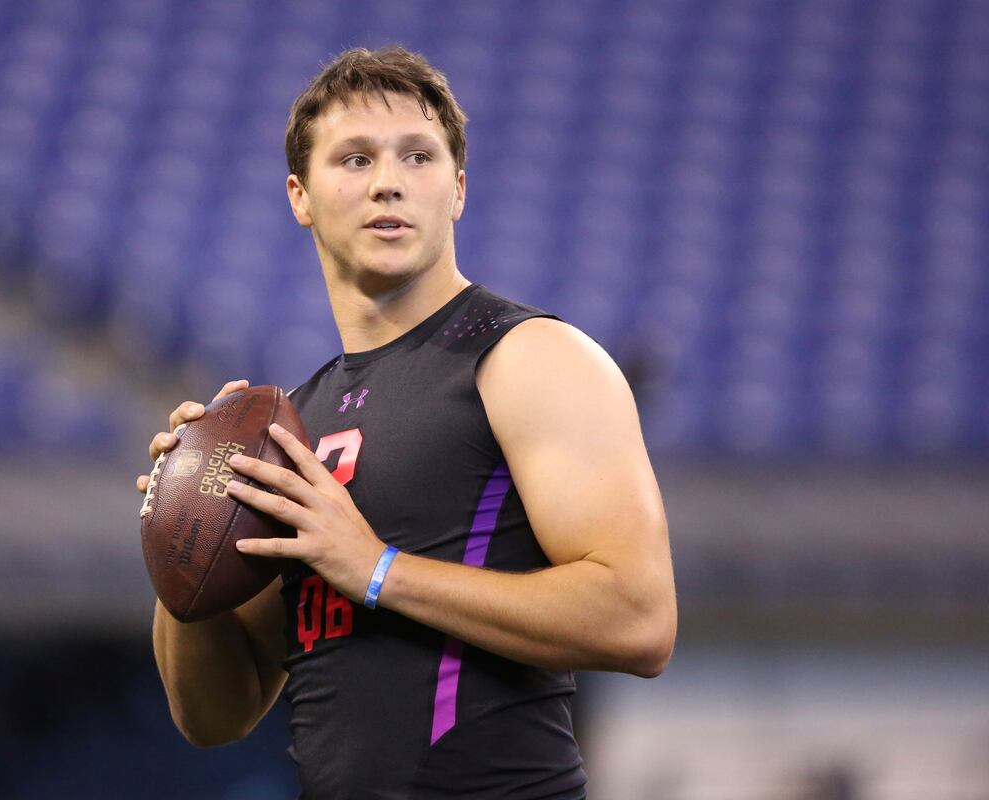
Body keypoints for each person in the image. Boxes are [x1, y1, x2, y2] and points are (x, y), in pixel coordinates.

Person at [137, 46, 676, 799]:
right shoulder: (295, 424)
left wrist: (378, 569)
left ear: (458, 189)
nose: (388, 181)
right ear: (299, 195)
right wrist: (180, 542)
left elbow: (639, 620)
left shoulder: (530, 358)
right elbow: (215, 717)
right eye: (354, 159)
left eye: (418, 157)